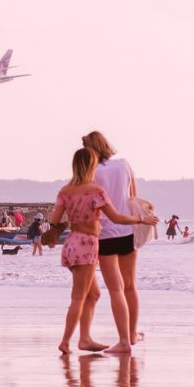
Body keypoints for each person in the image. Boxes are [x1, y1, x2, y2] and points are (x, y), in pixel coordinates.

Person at [50, 147, 155, 355]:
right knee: (79, 297)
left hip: (71, 244)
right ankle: (66, 341)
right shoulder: (95, 191)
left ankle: (85, 338)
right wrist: (140, 219)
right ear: (91, 166)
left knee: (93, 294)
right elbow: (116, 217)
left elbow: (55, 221)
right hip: (87, 244)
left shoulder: (65, 191)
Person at [83, 131, 151, 352]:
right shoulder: (123, 164)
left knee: (116, 290)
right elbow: (133, 196)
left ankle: (123, 342)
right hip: (128, 229)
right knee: (130, 286)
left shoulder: (91, 171)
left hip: (104, 232)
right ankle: (131, 334)